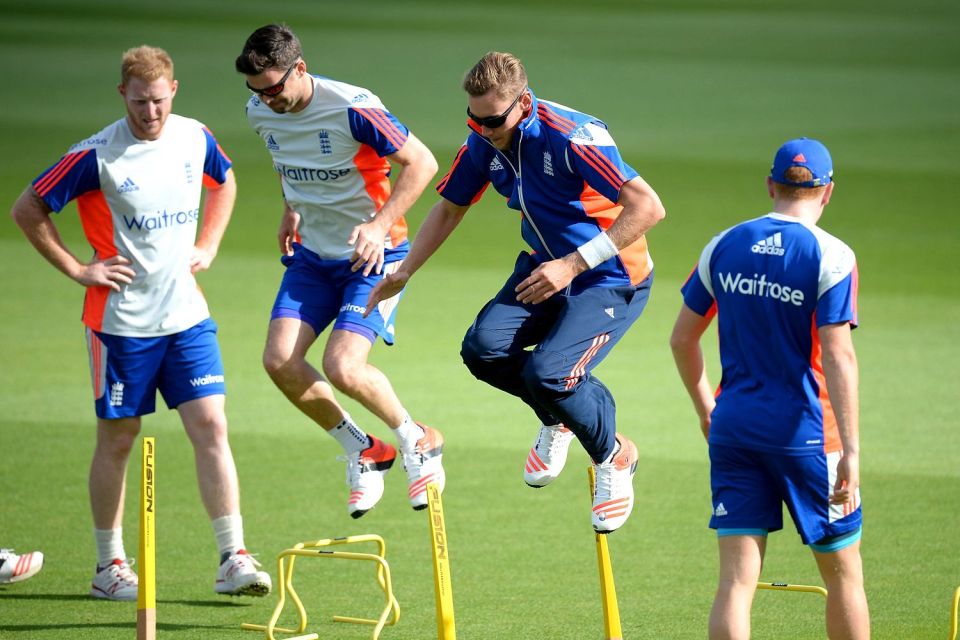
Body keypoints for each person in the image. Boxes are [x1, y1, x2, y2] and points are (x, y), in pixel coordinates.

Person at [10, 46, 271, 601]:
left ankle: (233, 557)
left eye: (158, 100)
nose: (149, 112)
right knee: (120, 439)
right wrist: (80, 268)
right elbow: (27, 208)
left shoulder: (194, 135)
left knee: (211, 426)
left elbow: (223, 181)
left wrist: (209, 244)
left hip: (187, 317)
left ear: (173, 91)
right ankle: (109, 568)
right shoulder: (96, 155)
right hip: (120, 324)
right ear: (121, 95)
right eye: (138, 102)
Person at [367, 51, 665, 534]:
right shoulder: (484, 140)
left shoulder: (573, 136)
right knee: (483, 351)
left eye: (493, 120)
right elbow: (449, 208)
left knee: (551, 372)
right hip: (544, 268)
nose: (483, 129)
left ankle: (614, 455)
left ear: (523, 102)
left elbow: (649, 207)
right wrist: (405, 272)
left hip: (610, 277)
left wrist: (572, 265)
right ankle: (559, 418)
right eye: (474, 119)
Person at [235, 24, 444, 519]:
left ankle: (419, 441)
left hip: (375, 257)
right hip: (312, 256)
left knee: (343, 366)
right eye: (256, 91)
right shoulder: (259, 110)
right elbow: (286, 160)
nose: (266, 100)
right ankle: (364, 449)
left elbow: (422, 163)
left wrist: (378, 224)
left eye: (274, 88)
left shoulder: (353, 107)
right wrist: (291, 209)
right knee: (279, 362)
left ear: (299, 69)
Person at [669, 138, 870, 639]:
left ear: (770, 185)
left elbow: (681, 339)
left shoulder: (724, 244)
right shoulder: (834, 256)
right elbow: (839, 356)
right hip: (808, 435)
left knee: (736, 583)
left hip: (734, 428)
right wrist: (851, 448)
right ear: (827, 192)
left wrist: (706, 410)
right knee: (844, 575)